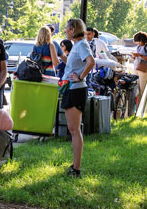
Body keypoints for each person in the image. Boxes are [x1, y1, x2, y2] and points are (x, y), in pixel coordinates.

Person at [61, 18, 95, 177]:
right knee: (73, 129)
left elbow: (91, 62)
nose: (65, 31)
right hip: (71, 89)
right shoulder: (76, 45)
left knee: (75, 130)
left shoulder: (81, 44)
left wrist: (80, 77)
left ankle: (76, 168)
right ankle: (75, 164)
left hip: (77, 90)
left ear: (73, 29)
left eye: (67, 28)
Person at [131, 31, 147, 98]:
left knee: (143, 89)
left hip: (144, 69)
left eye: (139, 41)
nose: (138, 43)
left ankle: (144, 107)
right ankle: (139, 106)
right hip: (137, 68)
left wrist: (140, 55)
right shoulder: (138, 47)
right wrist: (134, 56)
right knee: (137, 90)